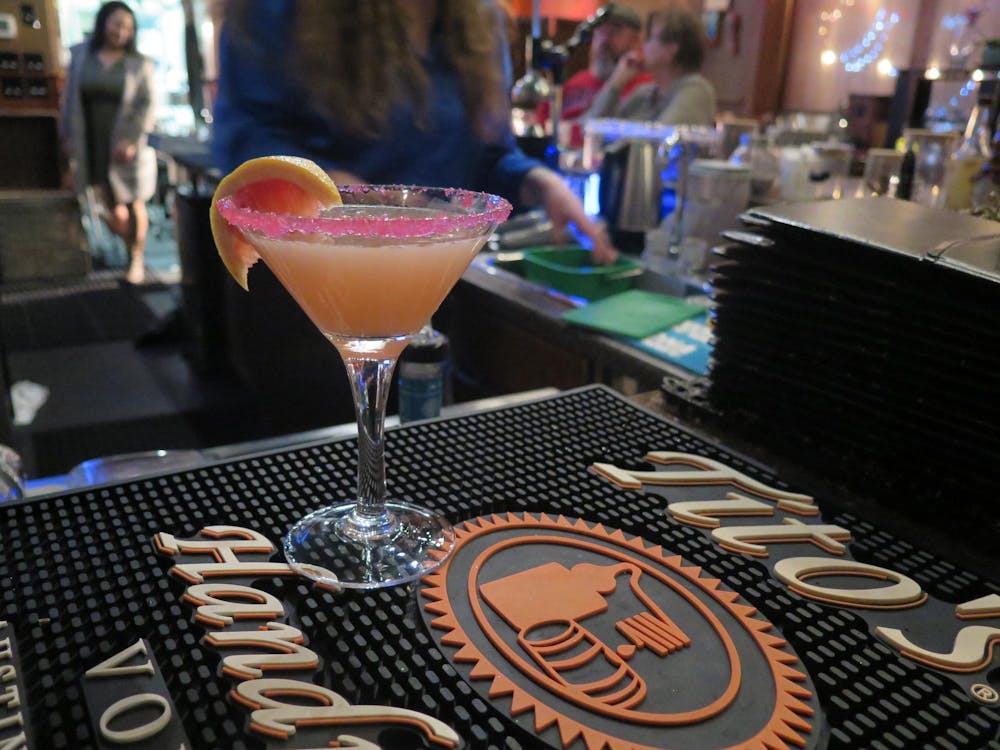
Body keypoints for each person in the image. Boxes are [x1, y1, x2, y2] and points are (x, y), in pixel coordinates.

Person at [211, 0, 616, 265]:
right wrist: (336, 189)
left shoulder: (481, 23)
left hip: (432, 273)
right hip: (312, 279)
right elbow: (244, 133)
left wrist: (540, 183)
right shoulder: (279, 10)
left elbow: (483, 157)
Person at [60, 1, 157, 285]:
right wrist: (66, 135)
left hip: (126, 145)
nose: (121, 31)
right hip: (91, 141)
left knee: (133, 200)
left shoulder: (139, 63)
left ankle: (136, 258)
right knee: (110, 203)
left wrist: (133, 139)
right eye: (117, 24)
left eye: (128, 27)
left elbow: (148, 105)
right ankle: (129, 245)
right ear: (103, 22)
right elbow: (69, 100)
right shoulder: (81, 55)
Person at [586, 8, 716, 126]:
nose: (643, 45)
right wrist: (615, 84)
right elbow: (591, 129)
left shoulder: (697, 91)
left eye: (649, 38)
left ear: (671, 49)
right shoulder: (644, 93)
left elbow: (662, 140)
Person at [560, 3, 652, 123]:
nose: (605, 39)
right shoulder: (574, 84)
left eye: (615, 32)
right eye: (600, 31)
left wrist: (616, 84)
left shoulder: (644, 88)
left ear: (635, 41)